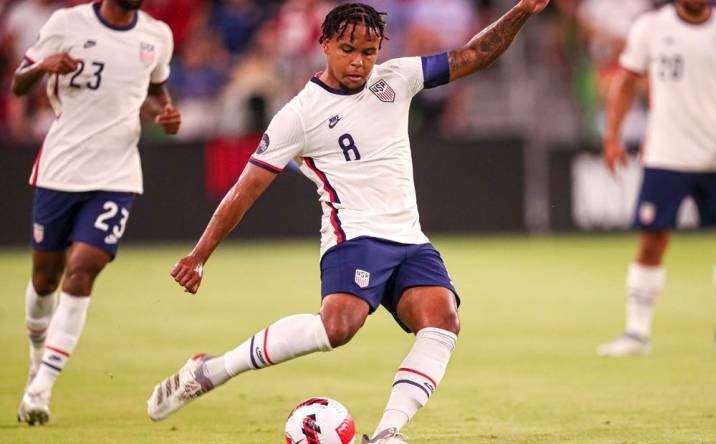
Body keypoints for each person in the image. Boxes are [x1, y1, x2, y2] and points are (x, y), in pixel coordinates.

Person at [147, 1, 549, 442]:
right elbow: (245, 190)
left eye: (369, 51)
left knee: (443, 319)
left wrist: (523, 10)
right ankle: (212, 370)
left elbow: (474, 54)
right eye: (347, 49)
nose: (359, 62)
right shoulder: (299, 115)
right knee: (337, 328)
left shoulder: (397, 79)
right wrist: (200, 255)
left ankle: (388, 432)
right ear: (324, 45)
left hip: (409, 239)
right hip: (353, 236)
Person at [13, 0, 181, 425]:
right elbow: (17, 83)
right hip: (60, 171)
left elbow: (152, 89)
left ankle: (41, 388)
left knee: (82, 271)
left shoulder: (156, 36)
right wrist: (43, 65)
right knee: (45, 278)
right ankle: (37, 357)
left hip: (117, 175)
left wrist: (164, 111)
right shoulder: (67, 23)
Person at [597, 0, 716, 357]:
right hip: (666, 153)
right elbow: (624, 82)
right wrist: (612, 136)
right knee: (653, 239)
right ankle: (636, 332)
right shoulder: (650, 28)